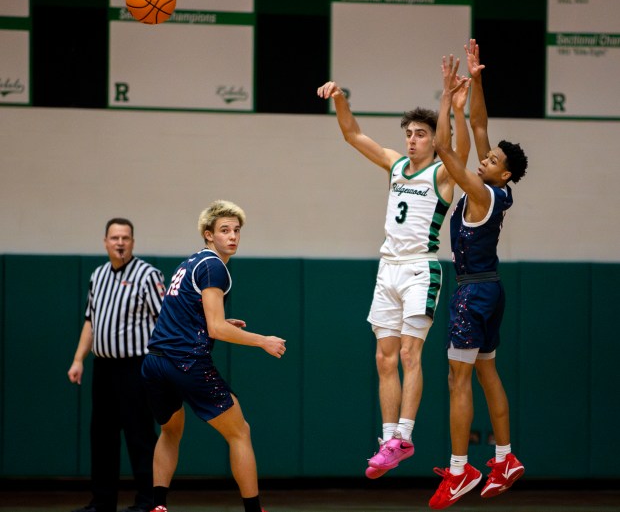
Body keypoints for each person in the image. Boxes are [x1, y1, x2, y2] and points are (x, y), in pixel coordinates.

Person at [316, 78, 470, 478]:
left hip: (421, 268)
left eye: (421, 134)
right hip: (388, 269)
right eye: (410, 134)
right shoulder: (395, 164)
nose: (413, 140)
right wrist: (340, 99)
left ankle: (405, 434)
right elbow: (352, 134)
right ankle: (388, 442)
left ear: (434, 140)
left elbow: (459, 148)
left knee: (408, 354)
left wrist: (451, 105)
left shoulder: (444, 174)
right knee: (383, 357)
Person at [428, 42, 528, 510]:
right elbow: (481, 126)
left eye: (491, 161)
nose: (484, 158)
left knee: (458, 380)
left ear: (502, 176)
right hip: (491, 289)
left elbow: (445, 147)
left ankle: (459, 469)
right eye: (486, 158)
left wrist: (449, 97)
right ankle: (505, 458)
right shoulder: (498, 191)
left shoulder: (481, 191)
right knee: (488, 373)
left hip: (471, 294)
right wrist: (478, 79)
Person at [141, 200, 286, 512]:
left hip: (154, 362)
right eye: (224, 230)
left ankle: (158, 505)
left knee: (170, 432)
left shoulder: (189, 263)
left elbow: (184, 313)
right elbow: (218, 329)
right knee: (240, 432)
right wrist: (263, 340)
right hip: (186, 362)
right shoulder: (214, 266)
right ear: (208, 235)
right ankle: (253, 509)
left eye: (236, 230)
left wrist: (208, 324)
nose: (232, 236)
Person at [68, 218, 166, 512]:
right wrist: (77, 360)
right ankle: (102, 501)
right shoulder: (97, 276)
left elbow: (164, 320)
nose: (120, 242)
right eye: (114, 237)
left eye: (125, 237)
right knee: (102, 437)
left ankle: (149, 502)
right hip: (104, 368)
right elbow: (90, 321)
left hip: (135, 367)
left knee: (140, 436)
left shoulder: (148, 275)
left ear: (133, 242)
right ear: (105, 242)